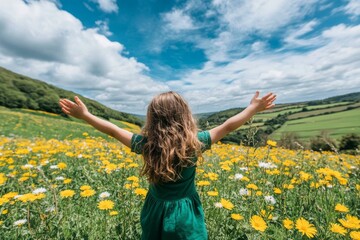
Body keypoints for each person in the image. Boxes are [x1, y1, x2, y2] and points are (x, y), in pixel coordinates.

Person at [59, 90, 276, 240]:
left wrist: (85, 115)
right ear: (185, 116)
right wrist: (253, 109)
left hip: (155, 208)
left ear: (152, 118)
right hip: (184, 213)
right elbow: (228, 127)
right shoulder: (195, 143)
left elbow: (113, 130)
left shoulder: (146, 144)